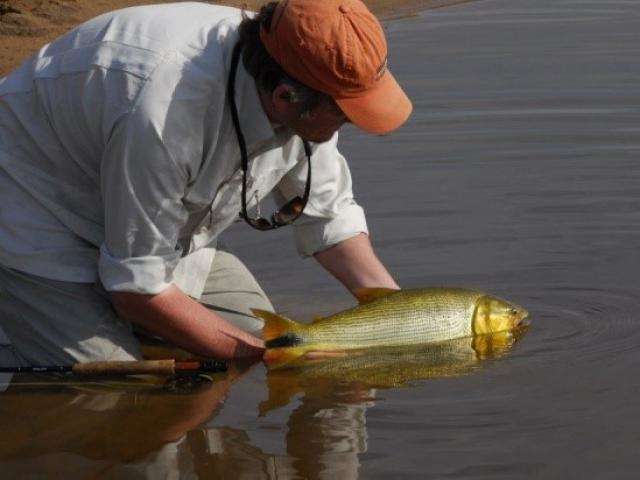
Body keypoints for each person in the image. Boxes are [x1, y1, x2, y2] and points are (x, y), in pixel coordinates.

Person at [0, 0, 412, 366]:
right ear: (287, 97)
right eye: (343, 114)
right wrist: (265, 356)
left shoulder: (305, 61)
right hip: (37, 212)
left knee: (265, 335)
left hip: (155, 232)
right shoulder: (164, 115)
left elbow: (329, 217)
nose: (352, 124)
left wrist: (401, 314)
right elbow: (137, 287)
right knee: (109, 395)